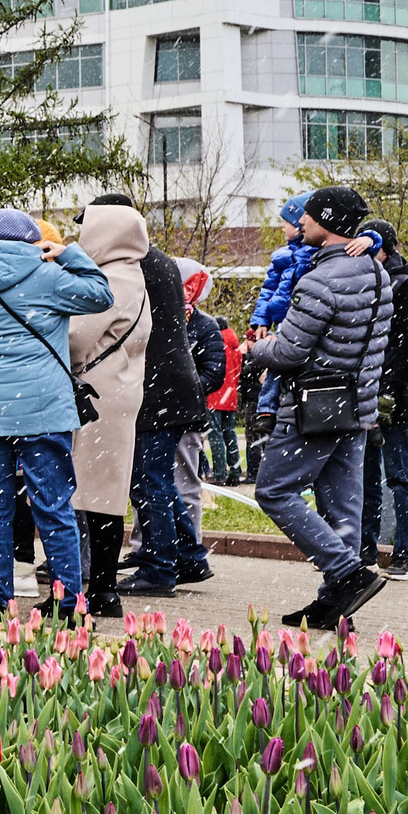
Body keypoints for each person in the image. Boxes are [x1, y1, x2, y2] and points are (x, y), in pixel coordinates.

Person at [0, 208, 113, 614]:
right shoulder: (48, 276)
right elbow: (102, 293)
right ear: (31, 240)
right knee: (53, 507)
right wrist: (66, 253)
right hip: (42, 410)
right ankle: (69, 607)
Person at [250, 184, 395, 629]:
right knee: (341, 505)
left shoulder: (319, 281)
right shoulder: (376, 273)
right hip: (357, 403)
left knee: (273, 491)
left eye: (308, 217)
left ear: (325, 222)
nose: (301, 223)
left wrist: (257, 349)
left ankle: (348, 573)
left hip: (314, 404)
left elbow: (291, 352)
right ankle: (334, 603)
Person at [62, 199, 152, 615]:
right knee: (107, 495)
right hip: (118, 393)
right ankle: (102, 587)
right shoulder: (134, 275)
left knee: (88, 496)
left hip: (93, 395)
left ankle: (93, 589)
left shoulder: (110, 279)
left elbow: (76, 339)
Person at [124, 219, 210, 597]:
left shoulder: (135, 265)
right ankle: (189, 556)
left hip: (156, 391)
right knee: (155, 479)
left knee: (148, 481)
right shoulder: (157, 261)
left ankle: (160, 568)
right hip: (172, 388)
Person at [356, 222, 408, 582]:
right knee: (366, 475)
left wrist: (387, 390)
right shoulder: (371, 280)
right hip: (366, 390)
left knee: (399, 472)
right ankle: (365, 549)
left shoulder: (403, 286)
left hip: (389, 395)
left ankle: (407, 553)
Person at [249, 194, 317, 440]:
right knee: (274, 362)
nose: (282, 227)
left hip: (298, 318)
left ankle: (271, 409)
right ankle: (266, 410)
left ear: (300, 225)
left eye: (286, 222)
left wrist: (369, 238)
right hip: (282, 318)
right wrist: (261, 321)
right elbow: (267, 290)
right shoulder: (281, 257)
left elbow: (373, 240)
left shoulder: (314, 253)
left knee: (281, 362)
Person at [175, 259, 229, 539]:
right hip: (151, 414)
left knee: (186, 484)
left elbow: (215, 373)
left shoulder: (205, 326)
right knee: (147, 486)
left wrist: (183, 391)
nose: (183, 293)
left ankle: (191, 544)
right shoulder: (158, 318)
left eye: (188, 287)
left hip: (188, 415)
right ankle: (143, 546)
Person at [197, 272, 245, 485]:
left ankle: (218, 474)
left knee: (215, 436)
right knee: (230, 434)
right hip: (231, 396)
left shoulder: (214, 341)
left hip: (216, 395)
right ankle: (235, 473)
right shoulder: (235, 346)